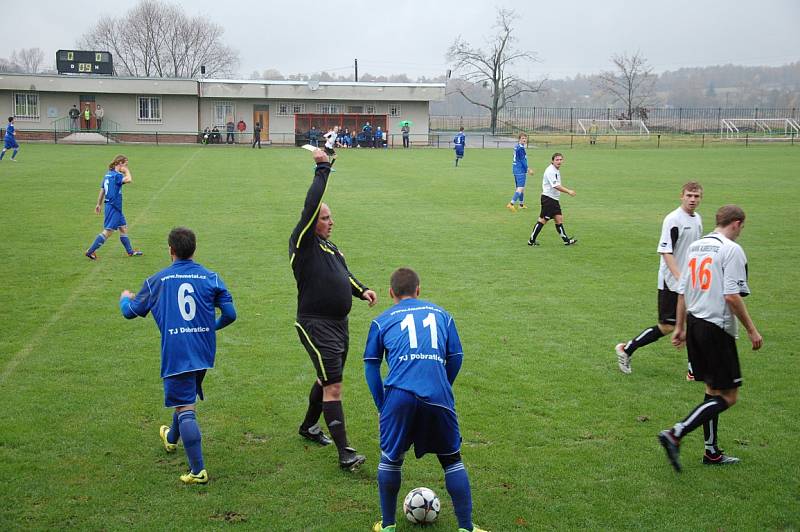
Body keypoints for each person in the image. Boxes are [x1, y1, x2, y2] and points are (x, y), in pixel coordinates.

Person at [365, 268, 488, 532]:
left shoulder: (381, 320)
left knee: (391, 458)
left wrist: (382, 405)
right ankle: (466, 528)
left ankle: (387, 526)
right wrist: (442, 384)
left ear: (390, 293)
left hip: (398, 396)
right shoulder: (443, 314)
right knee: (452, 459)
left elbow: (371, 366)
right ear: (418, 290)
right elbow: (456, 356)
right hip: (438, 395)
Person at [119, 226, 237, 484]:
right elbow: (230, 314)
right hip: (203, 350)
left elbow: (130, 312)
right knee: (185, 395)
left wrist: (124, 299)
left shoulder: (157, 281)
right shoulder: (211, 278)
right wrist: (207, 330)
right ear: (193, 249)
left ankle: (198, 471)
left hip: (177, 351)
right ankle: (171, 438)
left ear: (171, 250)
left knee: (185, 406)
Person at [289, 148, 377, 471]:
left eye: (330, 217)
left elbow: (344, 276)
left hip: (339, 324)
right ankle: (345, 454)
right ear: (314, 222)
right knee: (334, 385)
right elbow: (312, 204)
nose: (330, 222)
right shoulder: (303, 243)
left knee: (326, 379)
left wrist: (362, 289)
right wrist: (322, 169)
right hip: (315, 324)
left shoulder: (331, 248)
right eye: (325, 218)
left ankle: (309, 427)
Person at [658, 205, 763, 472]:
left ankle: (711, 451)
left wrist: (680, 326)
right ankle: (676, 432)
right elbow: (731, 296)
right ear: (737, 224)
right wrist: (752, 330)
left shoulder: (696, 247)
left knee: (711, 390)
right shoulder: (731, 250)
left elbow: (683, 291)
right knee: (729, 396)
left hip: (694, 322)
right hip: (717, 327)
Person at [615, 182, 704, 376]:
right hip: (670, 281)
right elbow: (666, 251)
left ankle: (694, 370)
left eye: (696, 196)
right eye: (689, 195)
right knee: (667, 326)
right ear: (681, 196)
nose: (692, 199)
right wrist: (679, 277)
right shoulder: (673, 220)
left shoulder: (697, 219)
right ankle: (626, 349)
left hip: (689, 281)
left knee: (695, 321)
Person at [84, 155, 144, 260]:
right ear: (120, 163)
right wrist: (126, 171)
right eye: (125, 164)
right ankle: (90, 251)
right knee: (108, 231)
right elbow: (129, 179)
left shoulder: (108, 175)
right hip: (113, 207)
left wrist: (98, 204)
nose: (126, 166)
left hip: (114, 207)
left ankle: (130, 252)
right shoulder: (117, 176)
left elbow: (102, 190)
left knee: (123, 227)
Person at [527, 153, 577, 246]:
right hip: (548, 199)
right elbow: (556, 186)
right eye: (557, 160)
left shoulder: (555, 170)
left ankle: (566, 241)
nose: (559, 161)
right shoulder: (550, 171)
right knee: (542, 220)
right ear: (552, 161)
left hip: (554, 200)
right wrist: (568, 191)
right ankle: (531, 241)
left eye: (560, 160)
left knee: (559, 219)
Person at [506, 133, 534, 212]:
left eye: (525, 138)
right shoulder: (521, 148)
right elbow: (522, 161)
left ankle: (521, 205)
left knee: (521, 188)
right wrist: (528, 169)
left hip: (515, 169)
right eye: (522, 138)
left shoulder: (516, 146)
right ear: (519, 139)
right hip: (520, 170)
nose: (524, 140)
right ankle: (511, 204)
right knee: (520, 188)